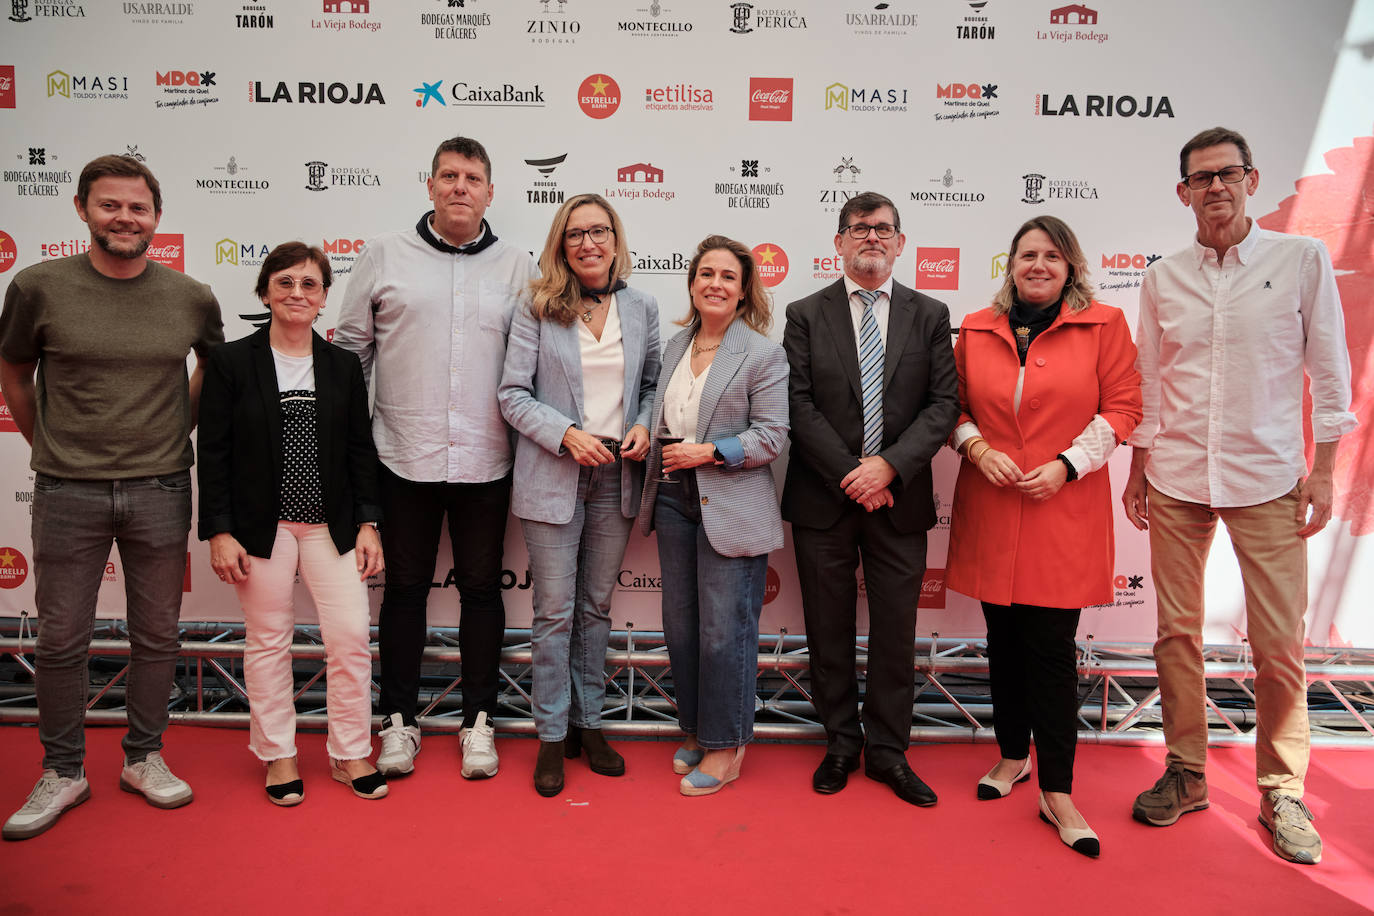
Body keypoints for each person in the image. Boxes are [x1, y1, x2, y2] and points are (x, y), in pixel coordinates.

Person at [1122, 127, 1356, 866]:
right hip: (1179, 478)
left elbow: (1331, 370)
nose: (1215, 187)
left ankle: (1283, 789)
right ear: (1183, 191)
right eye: (1201, 177)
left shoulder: (1301, 260)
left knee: (1280, 643)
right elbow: (1151, 385)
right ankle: (1186, 773)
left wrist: (1324, 471)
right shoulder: (1163, 278)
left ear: (1252, 181)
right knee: (1175, 635)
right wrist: (1137, 469)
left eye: (1228, 174)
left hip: (1268, 478)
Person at [0, 155, 224, 840]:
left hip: (160, 486)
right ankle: (63, 770)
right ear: (82, 209)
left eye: (137, 207)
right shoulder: (37, 287)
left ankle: (143, 758)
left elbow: (212, 368)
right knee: (63, 638)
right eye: (110, 205)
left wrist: (173, 429)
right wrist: (51, 448)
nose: (124, 218)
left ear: (156, 217)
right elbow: (14, 372)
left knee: (157, 635)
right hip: (68, 489)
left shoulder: (191, 295)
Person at [334, 136, 538, 779]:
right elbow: (349, 358)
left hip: (487, 460)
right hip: (401, 457)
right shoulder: (382, 255)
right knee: (405, 592)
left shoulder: (517, 265)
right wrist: (350, 452)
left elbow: (532, 362)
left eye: (472, 177)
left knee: (481, 592)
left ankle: (479, 722)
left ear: (490, 191)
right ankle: (399, 721)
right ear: (429, 185)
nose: (459, 187)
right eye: (448, 175)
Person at [947, 216, 1141, 857]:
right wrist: (975, 449)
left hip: (1065, 505)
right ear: (1010, 265)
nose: (1038, 265)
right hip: (994, 501)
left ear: (1072, 266)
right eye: (1027, 255)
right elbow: (952, 407)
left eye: (1052, 256)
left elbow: (1124, 407)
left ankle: (1058, 789)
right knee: (1001, 637)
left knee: (1052, 649)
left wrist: (1066, 465)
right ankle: (1011, 756)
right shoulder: (975, 327)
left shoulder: (1105, 324)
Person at [781, 191, 958, 807]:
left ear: (901, 243)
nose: (872, 238)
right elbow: (796, 405)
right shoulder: (804, 313)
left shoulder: (931, 314)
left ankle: (888, 751)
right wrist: (852, 475)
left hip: (899, 498)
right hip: (824, 500)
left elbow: (943, 406)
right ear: (838, 243)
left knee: (895, 632)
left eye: (884, 229)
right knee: (827, 629)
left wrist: (887, 468)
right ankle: (840, 743)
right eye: (859, 229)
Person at [197, 243, 387, 805]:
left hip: (332, 525)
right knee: (268, 642)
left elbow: (359, 450)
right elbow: (214, 453)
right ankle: (278, 754)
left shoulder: (341, 365)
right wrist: (220, 530)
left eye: (310, 284)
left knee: (351, 640)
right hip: (261, 529)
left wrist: (369, 522)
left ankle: (350, 751)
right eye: (285, 283)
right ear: (264, 293)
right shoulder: (232, 362)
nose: (297, 293)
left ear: (325, 297)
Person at [498, 195, 660, 797]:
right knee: (554, 613)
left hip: (618, 478)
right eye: (575, 235)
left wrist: (644, 422)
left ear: (615, 238)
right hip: (554, 476)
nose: (588, 243)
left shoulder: (641, 307)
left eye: (598, 231)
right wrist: (565, 435)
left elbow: (651, 385)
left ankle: (589, 725)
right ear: (561, 246)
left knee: (594, 610)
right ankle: (549, 735)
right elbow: (512, 395)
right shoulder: (537, 307)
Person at [637, 235, 788, 797]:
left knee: (726, 633)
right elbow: (657, 410)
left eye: (728, 276)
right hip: (675, 499)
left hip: (731, 503)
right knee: (683, 628)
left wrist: (711, 451)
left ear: (744, 289)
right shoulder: (675, 346)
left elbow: (772, 436)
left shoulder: (763, 354)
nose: (715, 284)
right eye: (706, 274)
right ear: (692, 283)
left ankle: (728, 747)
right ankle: (700, 730)